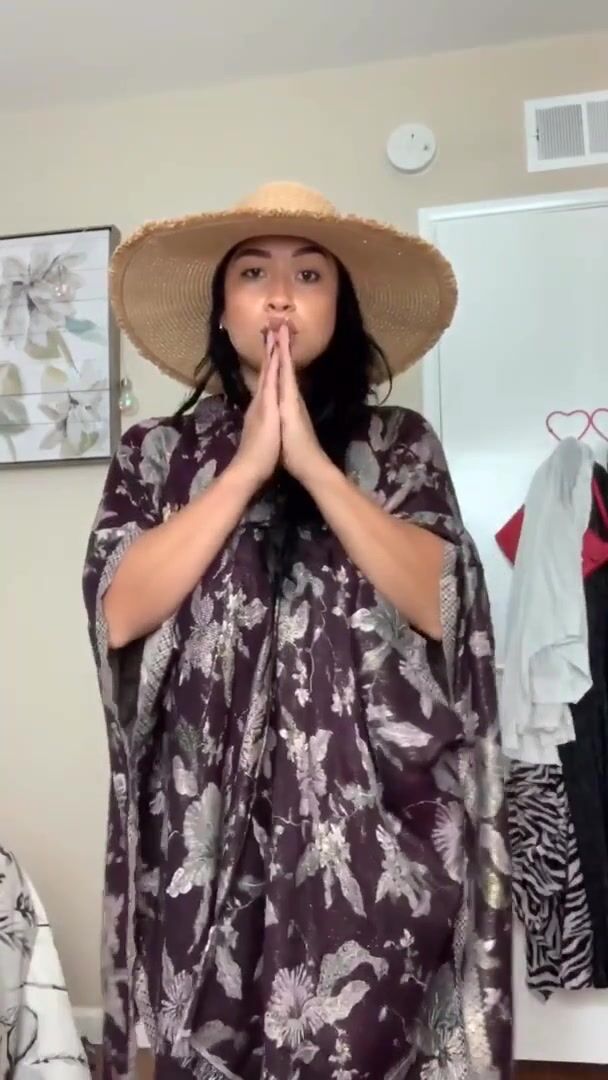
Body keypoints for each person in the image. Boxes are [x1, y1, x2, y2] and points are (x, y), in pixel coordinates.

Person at [83, 181, 512, 1080]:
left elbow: (444, 604)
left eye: (309, 275)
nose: (280, 296)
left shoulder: (399, 445)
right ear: (222, 306)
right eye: (253, 273)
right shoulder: (156, 456)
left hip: (374, 835)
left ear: (339, 307)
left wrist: (315, 467)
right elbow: (119, 609)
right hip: (204, 834)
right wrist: (244, 470)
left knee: (363, 1052)